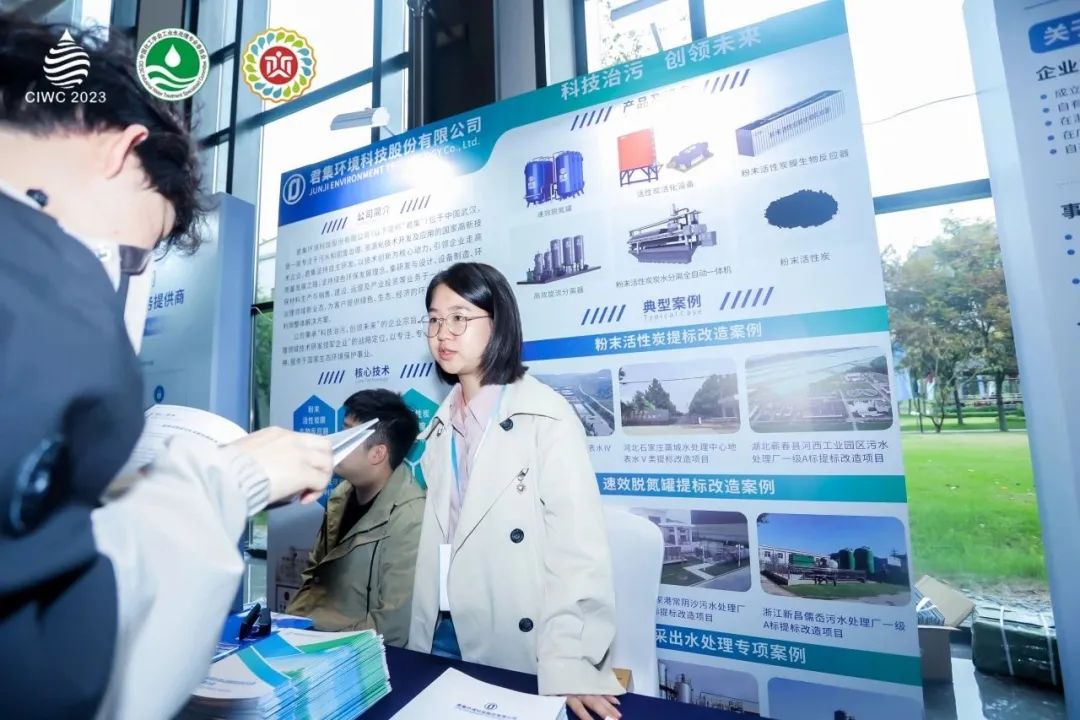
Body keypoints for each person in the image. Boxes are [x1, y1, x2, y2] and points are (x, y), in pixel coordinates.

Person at [0, 17, 332, 719]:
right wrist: (230, 478)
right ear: (121, 151)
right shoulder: (35, 293)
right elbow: (63, 666)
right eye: (136, 253)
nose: (121, 286)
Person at [408, 263, 624, 720]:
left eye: (459, 317)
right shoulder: (440, 425)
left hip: (521, 641)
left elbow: (578, 552)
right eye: (434, 319)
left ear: (499, 322)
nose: (442, 333)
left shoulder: (547, 416)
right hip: (439, 631)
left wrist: (569, 660)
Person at [286, 389, 424, 646]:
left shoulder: (410, 516)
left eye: (347, 434)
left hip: (351, 653)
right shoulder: (340, 495)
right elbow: (313, 575)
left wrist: (320, 645)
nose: (332, 442)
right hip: (304, 633)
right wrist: (293, 626)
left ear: (377, 453)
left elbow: (392, 625)